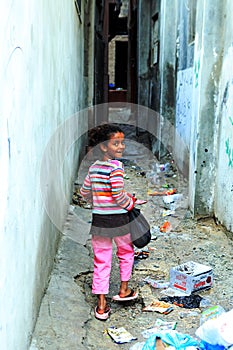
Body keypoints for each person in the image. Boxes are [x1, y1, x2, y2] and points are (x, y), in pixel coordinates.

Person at [80, 123, 138, 321]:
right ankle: (123, 290)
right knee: (126, 252)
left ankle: (102, 305)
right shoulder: (116, 167)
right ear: (104, 147)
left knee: (102, 260)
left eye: (122, 143)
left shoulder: (94, 169)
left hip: (100, 222)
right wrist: (131, 203)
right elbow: (118, 195)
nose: (121, 147)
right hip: (119, 220)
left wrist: (98, 202)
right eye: (116, 143)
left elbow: (84, 192)